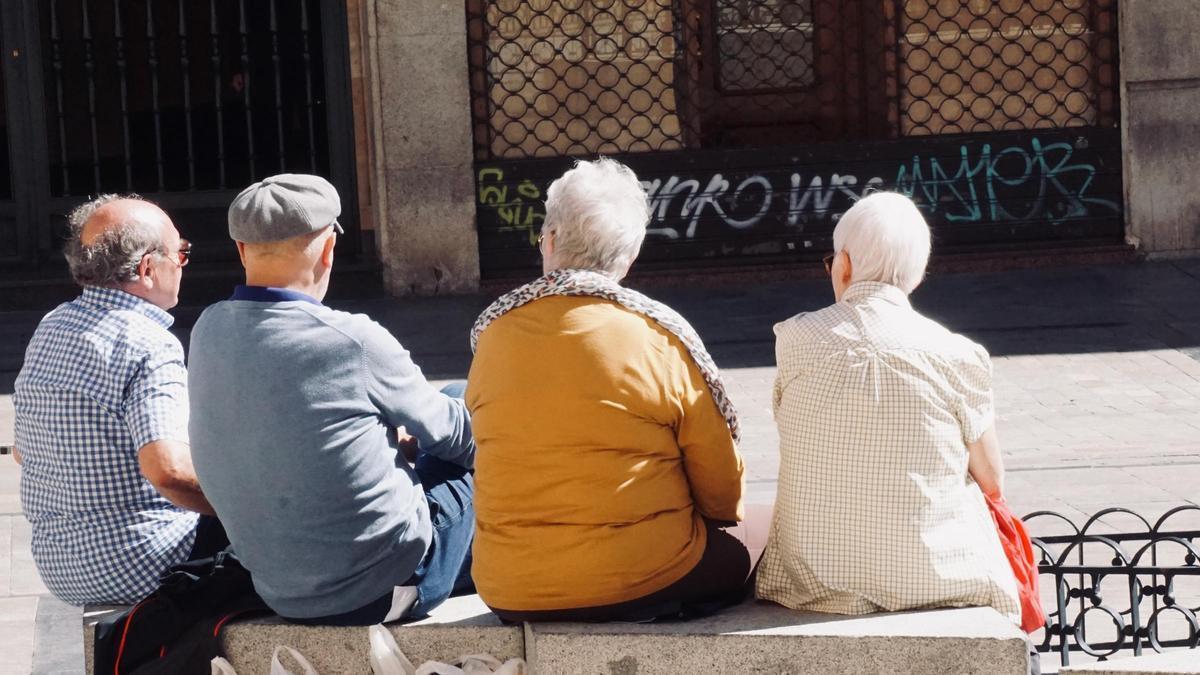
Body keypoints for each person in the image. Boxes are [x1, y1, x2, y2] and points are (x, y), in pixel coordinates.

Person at [467, 158, 750, 622]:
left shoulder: (491, 334)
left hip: (510, 588)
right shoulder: (660, 337)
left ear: (551, 241)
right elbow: (721, 488)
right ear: (628, 257)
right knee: (743, 548)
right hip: (643, 576)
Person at [187, 174, 475, 625]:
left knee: (443, 412)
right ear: (328, 249)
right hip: (387, 585)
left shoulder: (207, 330)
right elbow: (462, 441)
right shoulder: (353, 340)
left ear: (241, 250)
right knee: (464, 407)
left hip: (278, 591)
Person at [756, 192, 1021, 624]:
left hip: (811, 581)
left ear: (843, 265)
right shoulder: (956, 354)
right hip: (939, 578)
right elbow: (992, 481)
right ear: (915, 275)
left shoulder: (795, 338)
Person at [13, 195, 223, 606]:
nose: (183, 263)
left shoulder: (52, 326)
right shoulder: (148, 343)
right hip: (144, 561)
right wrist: (250, 507)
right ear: (147, 268)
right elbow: (168, 472)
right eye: (180, 253)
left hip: (61, 567)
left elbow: (23, 452)